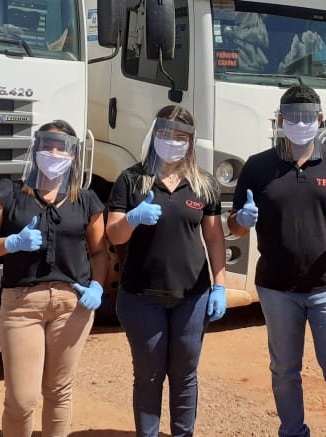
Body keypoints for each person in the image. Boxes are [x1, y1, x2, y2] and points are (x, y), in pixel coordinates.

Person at [227, 85, 326, 437]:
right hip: (277, 290)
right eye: (293, 117)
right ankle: (292, 432)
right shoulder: (258, 167)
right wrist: (240, 222)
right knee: (285, 370)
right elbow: (234, 225)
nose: (301, 123)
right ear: (281, 120)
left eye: (308, 117)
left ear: (320, 120)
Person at [0, 120, 107, 437]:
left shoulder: (86, 200)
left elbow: (100, 252)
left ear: (74, 156)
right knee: (21, 399)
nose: (54, 152)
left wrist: (98, 286)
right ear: (36, 148)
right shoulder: (9, 192)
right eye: (48, 145)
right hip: (22, 306)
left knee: (59, 391)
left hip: (71, 305)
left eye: (63, 147)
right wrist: (11, 243)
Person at [105, 105, 228, 437]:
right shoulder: (131, 180)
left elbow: (214, 237)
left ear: (190, 141)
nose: (171, 141)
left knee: (185, 374)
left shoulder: (203, 185)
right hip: (141, 297)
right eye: (164, 134)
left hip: (193, 297)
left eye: (180, 136)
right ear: (153, 134)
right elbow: (113, 234)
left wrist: (219, 285)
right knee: (148, 375)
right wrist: (131, 218)